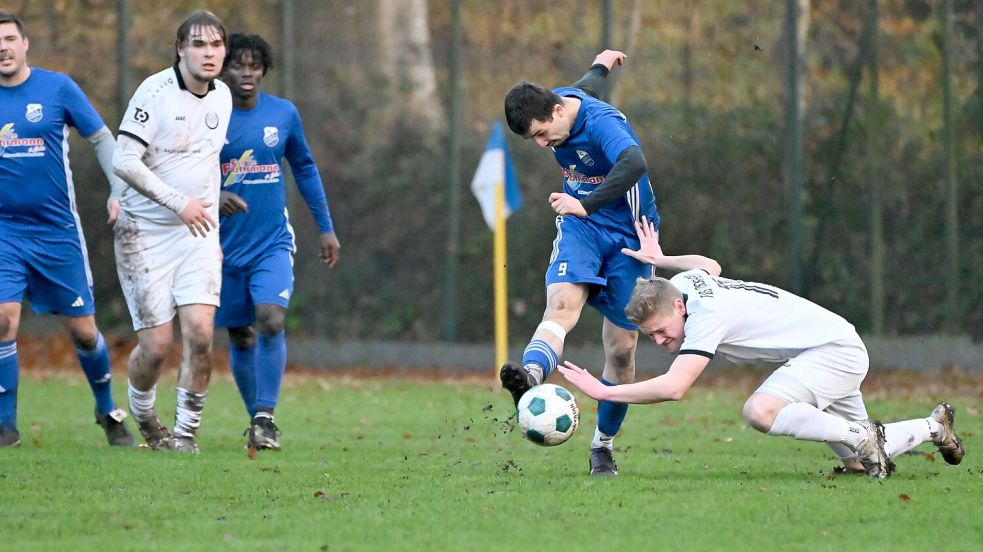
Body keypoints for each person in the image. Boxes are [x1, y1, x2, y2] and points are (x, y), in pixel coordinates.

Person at [557, 217, 966, 479]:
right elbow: (709, 266)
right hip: (823, 348)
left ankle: (862, 433)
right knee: (861, 463)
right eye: (651, 336)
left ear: (678, 308)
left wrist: (604, 392)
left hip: (832, 351)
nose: (662, 340)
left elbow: (674, 387)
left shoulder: (706, 317)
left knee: (759, 411)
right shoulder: (681, 286)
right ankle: (935, 427)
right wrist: (662, 259)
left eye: (662, 331)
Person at [501, 50, 659, 476]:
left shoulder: (603, 123)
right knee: (561, 307)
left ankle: (602, 446)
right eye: (533, 139)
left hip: (631, 237)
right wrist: (603, 62)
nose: (542, 144)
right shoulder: (563, 100)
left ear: (557, 112)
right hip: (581, 228)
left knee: (622, 351)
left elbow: (634, 162)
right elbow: (588, 83)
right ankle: (531, 377)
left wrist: (586, 203)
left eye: (542, 134)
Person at [0, 11, 135, 448]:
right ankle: (5, 425)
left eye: (9, 38)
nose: (2, 47)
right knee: (3, 320)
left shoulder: (57, 89)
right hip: (5, 232)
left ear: (25, 43)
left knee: (83, 332)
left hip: (57, 232)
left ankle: (106, 409)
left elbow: (102, 139)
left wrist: (118, 189)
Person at [111, 10, 232, 453]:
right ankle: (144, 415)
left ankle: (185, 437)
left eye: (216, 45)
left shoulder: (222, 97)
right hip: (143, 233)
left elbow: (207, 164)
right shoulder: (155, 92)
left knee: (200, 335)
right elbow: (124, 160)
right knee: (157, 347)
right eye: (198, 44)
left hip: (196, 234)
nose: (208, 53)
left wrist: (212, 237)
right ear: (180, 49)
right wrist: (178, 203)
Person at [217, 33, 340, 452]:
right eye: (238, 65)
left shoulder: (282, 113)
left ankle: (265, 417)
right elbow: (181, 170)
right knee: (240, 335)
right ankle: (256, 420)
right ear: (223, 69)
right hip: (218, 248)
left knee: (270, 319)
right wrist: (212, 195)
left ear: (264, 70)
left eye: (254, 66)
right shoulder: (207, 117)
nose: (246, 73)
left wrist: (325, 227)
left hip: (271, 244)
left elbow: (304, 168)